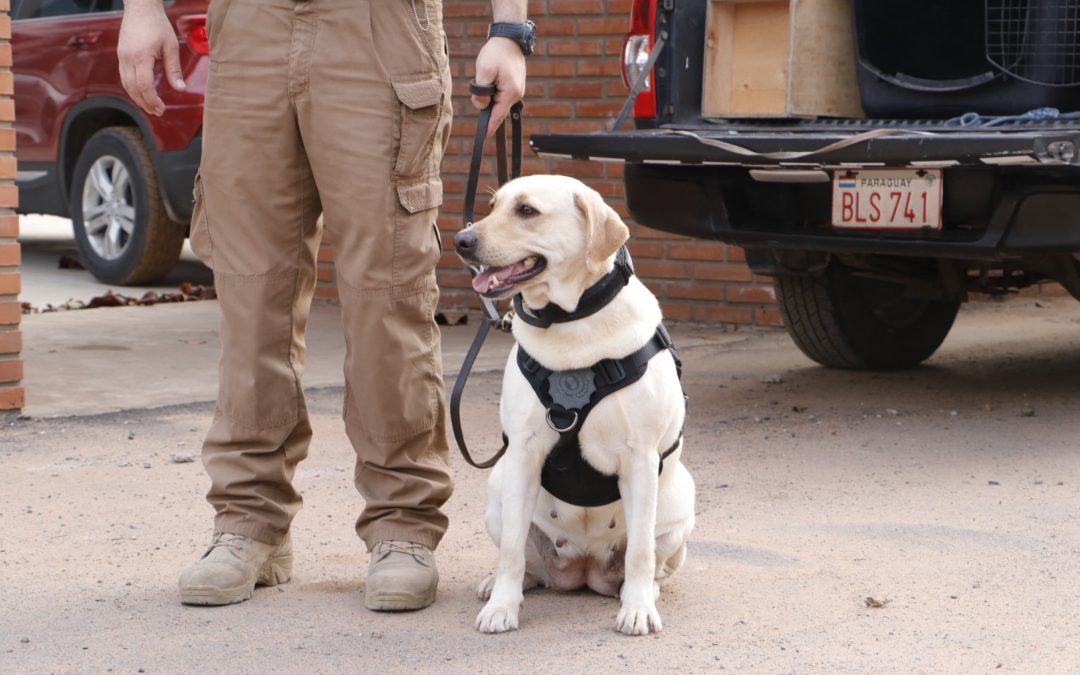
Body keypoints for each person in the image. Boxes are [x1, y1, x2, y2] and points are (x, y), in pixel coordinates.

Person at [117, 0, 530, 611]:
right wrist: (141, 10)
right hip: (249, 24)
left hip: (379, 25)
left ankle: (402, 525)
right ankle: (248, 522)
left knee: (388, 289)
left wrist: (509, 30)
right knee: (250, 288)